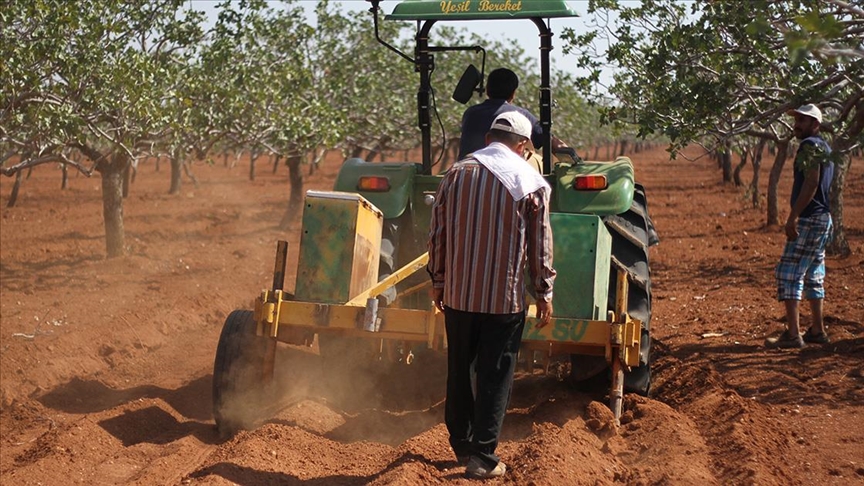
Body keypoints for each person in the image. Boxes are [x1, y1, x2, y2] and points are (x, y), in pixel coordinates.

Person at [427, 111, 557, 479]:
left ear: (488, 139)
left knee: (458, 370)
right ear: (522, 146)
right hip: (504, 300)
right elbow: (539, 245)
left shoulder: (456, 173)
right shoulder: (529, 181)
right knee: (495, 375)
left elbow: (437, 234)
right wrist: (544, 291)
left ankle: (462, 443)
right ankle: (483, 457)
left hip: (459, 297)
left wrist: (438, 280)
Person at [766, 103, 835, 349]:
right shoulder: (826, 147)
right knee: (814, 274)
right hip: (823, 218)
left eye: (803, 120)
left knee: (790, 272)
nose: (797, 124)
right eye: (797, 119)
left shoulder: (809, 146)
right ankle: (817, 330)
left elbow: (812, 182)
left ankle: (793, 334)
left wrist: (793, 216)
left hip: (809, 217)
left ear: (815, 124)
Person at [458, 67, 573, 162]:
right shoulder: (520, 115)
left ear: (487, 90)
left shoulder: (470, 113)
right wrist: (571, 156)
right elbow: (550, 141)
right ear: (513, 94)